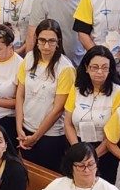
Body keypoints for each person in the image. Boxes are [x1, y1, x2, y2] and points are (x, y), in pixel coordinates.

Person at [16, 20, 76, 172]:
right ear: (36, 40)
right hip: (25, 129)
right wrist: (19, 127)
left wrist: (35, 137)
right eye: (42, 40)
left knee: (46, 177)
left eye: (51, 41)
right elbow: (20, 95)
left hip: (51, 136)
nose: (46, 46)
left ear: (58, 42)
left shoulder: (65, 68)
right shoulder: (29, 58)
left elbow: (58, 109)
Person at [64, 46, 120, 184]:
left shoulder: (119, 94)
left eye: (105, 67)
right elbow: (68, 123)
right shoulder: (76, 90)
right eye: (95, 67)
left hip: (105, 151)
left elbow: (116, 134)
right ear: (86, 68)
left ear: (110, 69)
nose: (100, 72)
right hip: (78, 146)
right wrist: (79, 152)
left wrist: (92, 157)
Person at [29, 0, 86, 65]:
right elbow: (33, 34)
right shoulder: (41, 1)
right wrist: (30, 63)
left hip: (80, 61)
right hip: (51, 63)